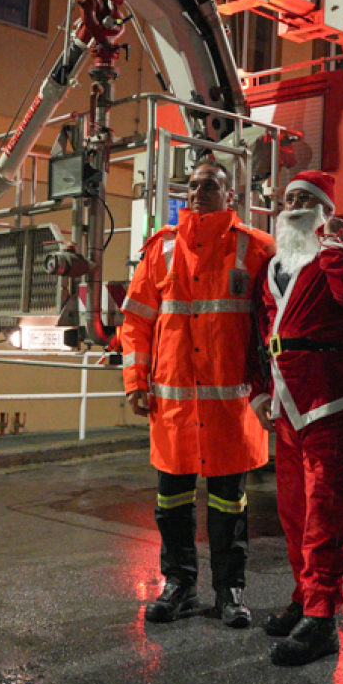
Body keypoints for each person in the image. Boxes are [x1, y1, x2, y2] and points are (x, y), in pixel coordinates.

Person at [120, 159, 275, 629]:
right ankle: (179, 586)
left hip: (232, 409)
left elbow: (278, 318)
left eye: (210, 185)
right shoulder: (161, 250)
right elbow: (136, 322)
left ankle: (230, 591)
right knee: (172, 505)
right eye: (192, 185)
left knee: (230, 506)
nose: (197, 192)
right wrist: (135, 381)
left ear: (232, 195)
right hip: (175, 407)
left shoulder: (257, 248)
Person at [250, 170, 343, 666]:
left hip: (333, 399)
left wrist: (339, 248)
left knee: (328, 512)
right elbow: (260, 332)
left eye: (307, 199)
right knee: (295, 511)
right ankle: (305, 598)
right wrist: (261, 391)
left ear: (325, 210)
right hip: (287, 403)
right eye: (289, 199)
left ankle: (323, 619)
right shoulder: (274, 266)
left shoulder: (340, 256)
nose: (295, 204)